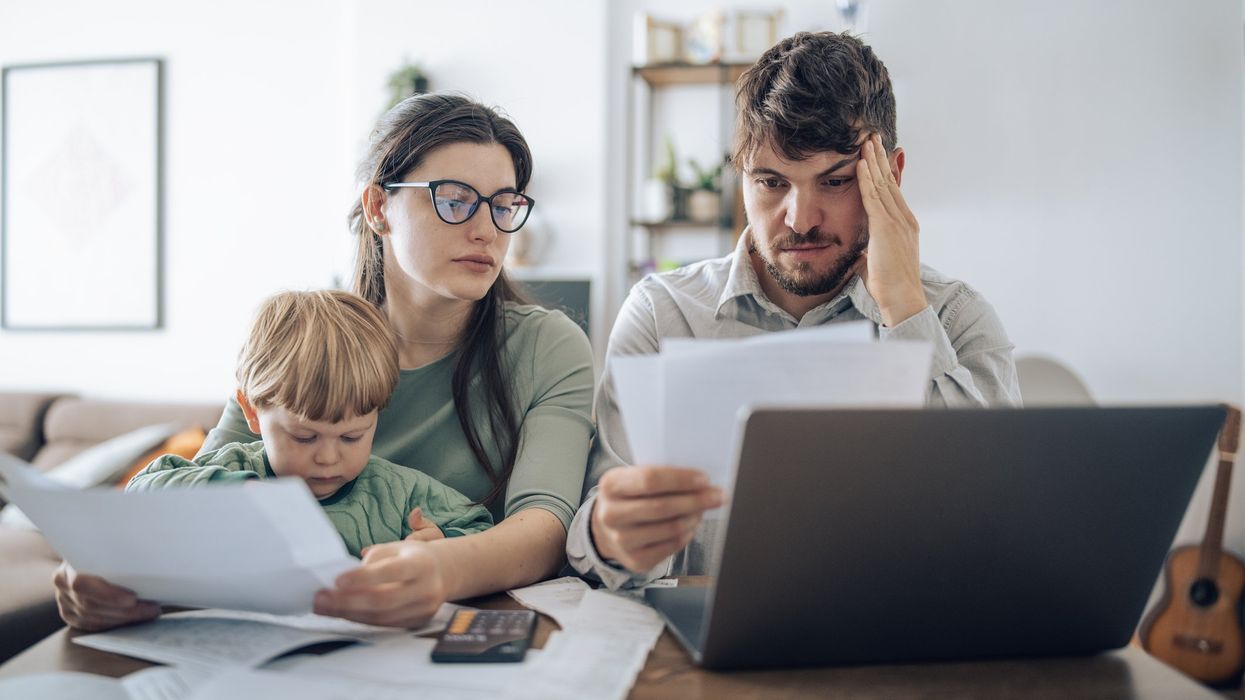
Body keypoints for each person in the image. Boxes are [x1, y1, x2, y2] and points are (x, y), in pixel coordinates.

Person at [54, 93, 595, 631]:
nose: (485, 231)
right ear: (379, 207)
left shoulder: (548, 346)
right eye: (455, 200)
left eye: (503, 205)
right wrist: (105, 571)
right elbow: (203, 496)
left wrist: (443, 568)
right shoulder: (306, 340)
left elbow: (547, 526)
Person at [567, 31, 1021, 590]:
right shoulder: (664, 313)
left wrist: (904, 306)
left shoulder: (957, 317)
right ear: (742, 180)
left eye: (834, 182)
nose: (800, 217)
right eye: (770, 182)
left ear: (891, 177)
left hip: (895, 652)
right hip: (704, 657)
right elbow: (602, 539)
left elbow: (993, 528)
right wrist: (613, 541)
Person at [125, 289, 494, 556]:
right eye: (304, 437)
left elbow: (480, 528)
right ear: (252, 412)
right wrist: (235, 493)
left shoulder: (398, 494)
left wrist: (440, 549)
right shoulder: (234, 467)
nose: (329, 458)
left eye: (351, 437)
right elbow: (141, 494)